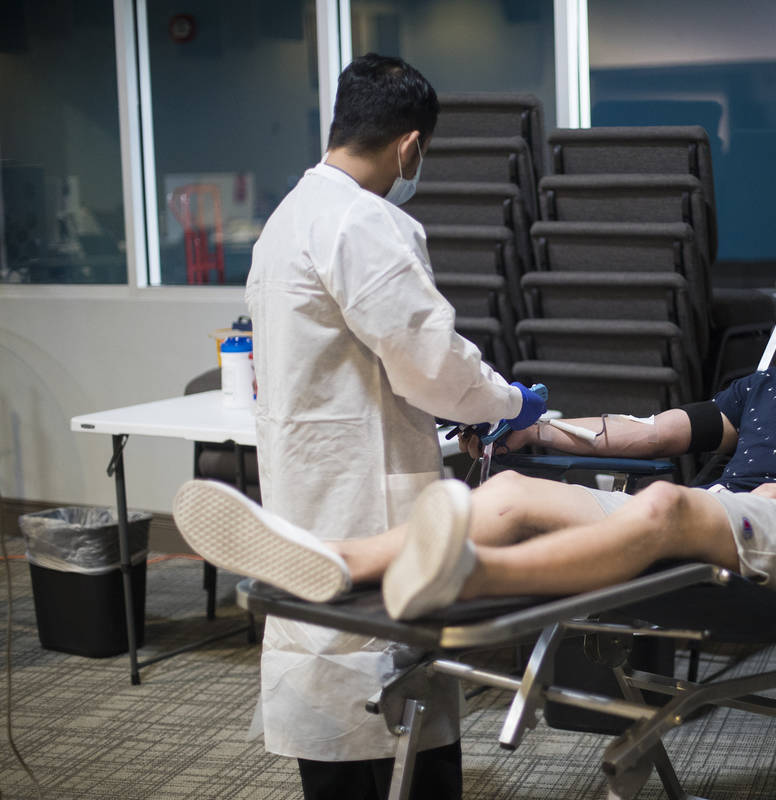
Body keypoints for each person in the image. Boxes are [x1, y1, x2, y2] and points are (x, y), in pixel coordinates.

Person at [176, 238, 776, 633]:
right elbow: (653, 431)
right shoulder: (770, 386)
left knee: (667, 505)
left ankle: (463, 578)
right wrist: (541, 428)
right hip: (714, 524)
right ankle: (334, 563)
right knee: (517, 489)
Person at [235, 54, 545, 800]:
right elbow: (429, 361)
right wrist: (510, 404)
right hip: (364, 489)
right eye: (422, 155)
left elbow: (368, 364)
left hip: (308, 477)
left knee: (331, 669)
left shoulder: (286, 219)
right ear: (410, 146)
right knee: (390, 682)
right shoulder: (362, 221)